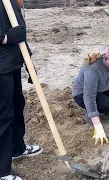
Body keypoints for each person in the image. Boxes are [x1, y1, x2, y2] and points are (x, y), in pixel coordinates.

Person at [0, 0, 43, 180]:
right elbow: (13, 34)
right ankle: (2, 172)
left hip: (12, 62)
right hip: (1, 67)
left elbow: (20, 32)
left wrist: (28, 61)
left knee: (18, 106)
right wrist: (6, 37)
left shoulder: (11, 1)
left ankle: (17, 148)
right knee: (3, 116)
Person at [72, 42, 109, 145]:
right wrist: (98, 126)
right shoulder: (93, 69)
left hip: (101, 89)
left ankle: (106, 110)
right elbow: (89, 96)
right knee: (106, 104)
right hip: (82, 94)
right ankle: (89, 113)